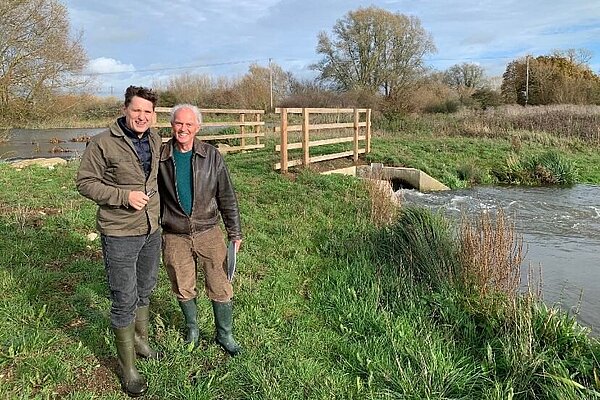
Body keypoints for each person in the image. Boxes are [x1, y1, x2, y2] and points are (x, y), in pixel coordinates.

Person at [76, 86, 161, 397]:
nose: (141, 116)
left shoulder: (154, 137)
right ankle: (128, 369)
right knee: (124, 298)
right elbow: (85, 182)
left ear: (154, 115)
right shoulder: (102, 143)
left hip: (152, 229)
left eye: (147, 112)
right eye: (137, 110)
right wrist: (123, 197)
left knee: (146, 287)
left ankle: (140, 341)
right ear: (126, 109)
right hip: (120, 232)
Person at [158, 103, 243, 356]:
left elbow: (227, 195)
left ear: (197, 127)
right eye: (178, 123)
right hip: (174, 234)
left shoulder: (212, 155)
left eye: (188, 124)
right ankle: (192, 329)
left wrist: (235, 232)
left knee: (220, 283)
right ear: (171, 125)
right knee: (182, 285)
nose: (182, 129)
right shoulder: (161, 156)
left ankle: (224, 334)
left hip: (209, 231)